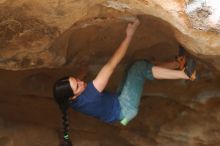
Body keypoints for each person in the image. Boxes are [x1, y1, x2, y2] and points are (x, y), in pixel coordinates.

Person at [53, 18, 196, 145]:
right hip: (125, 108)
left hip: (117, 104)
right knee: (138, 68)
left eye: (76, 80)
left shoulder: (67, 100)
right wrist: (129, 35)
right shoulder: (89, 96)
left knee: (135, 65)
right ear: (73, 96)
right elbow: (111, 65)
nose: (80, 82)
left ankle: (179, 63)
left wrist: (81, 73)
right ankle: (186, 74)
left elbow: (74, 85)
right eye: (77, 86)